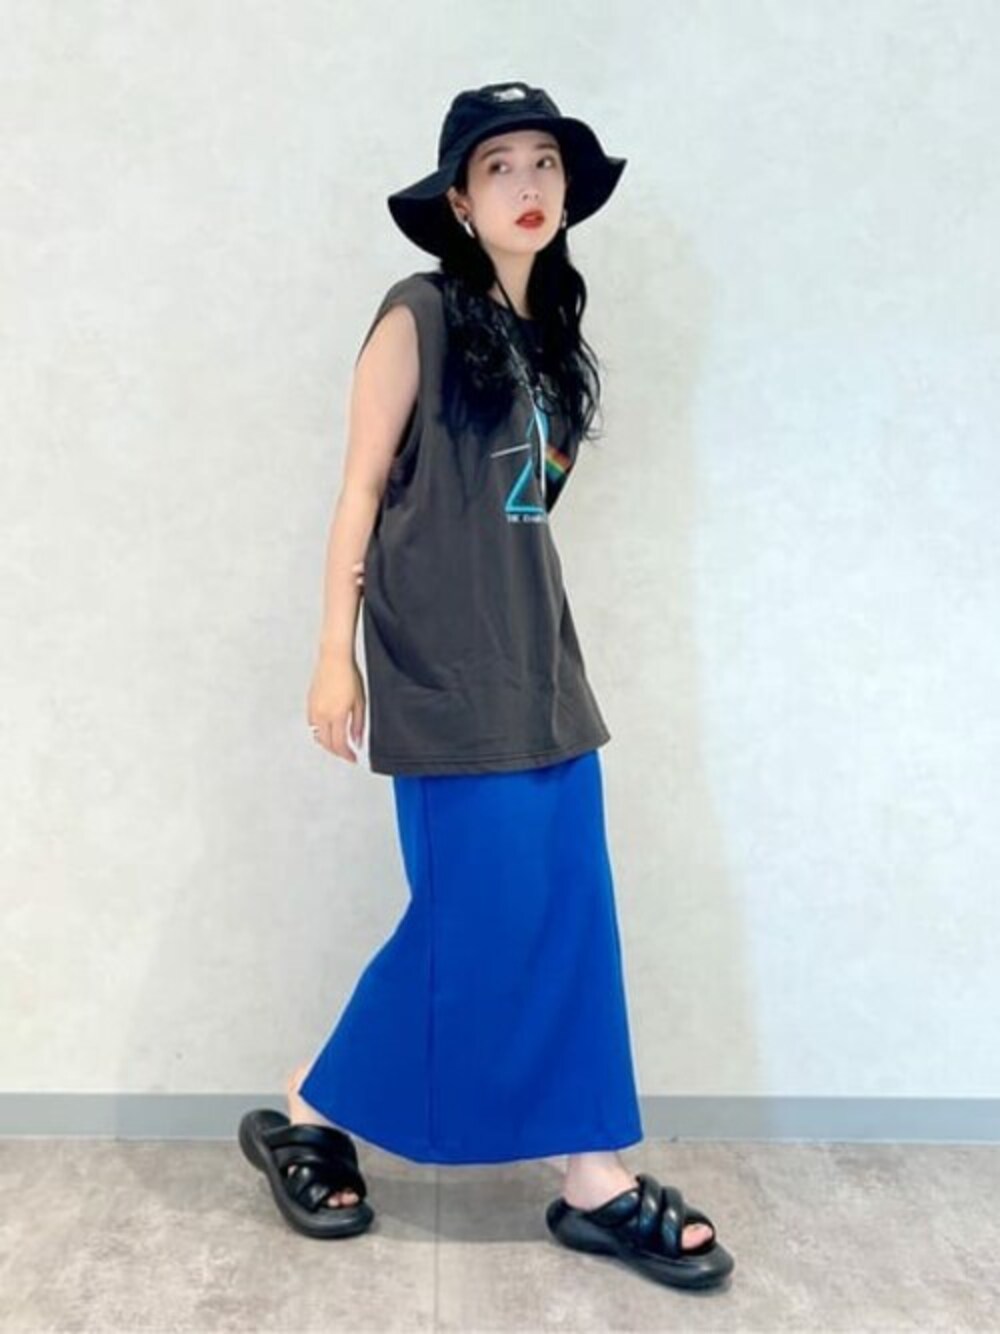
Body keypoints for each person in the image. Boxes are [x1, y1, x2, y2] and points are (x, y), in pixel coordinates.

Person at [238, 80, 734, 1291]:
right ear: (458, 200)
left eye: (543, 164)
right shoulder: (416, 312)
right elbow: (361, 489)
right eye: (499, 165)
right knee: (476, 915)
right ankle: (310, 1103)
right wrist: (331, 653)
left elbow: (522, 513)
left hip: (541, 663)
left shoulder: (548, 342)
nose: (526, 185)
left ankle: (591, 1174)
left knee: (568, 915)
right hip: (441, 666)